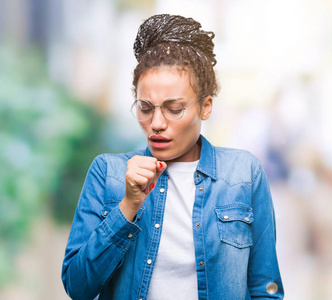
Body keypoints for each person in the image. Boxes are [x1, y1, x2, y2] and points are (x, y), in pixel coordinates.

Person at [61, 14, 284, 300]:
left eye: (174, 108)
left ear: (205, 107)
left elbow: (265, 289)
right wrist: (128, 206)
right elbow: (78, 287)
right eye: (145, 107)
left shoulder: (244, 173)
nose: (156, 123)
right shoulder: (109, 173)